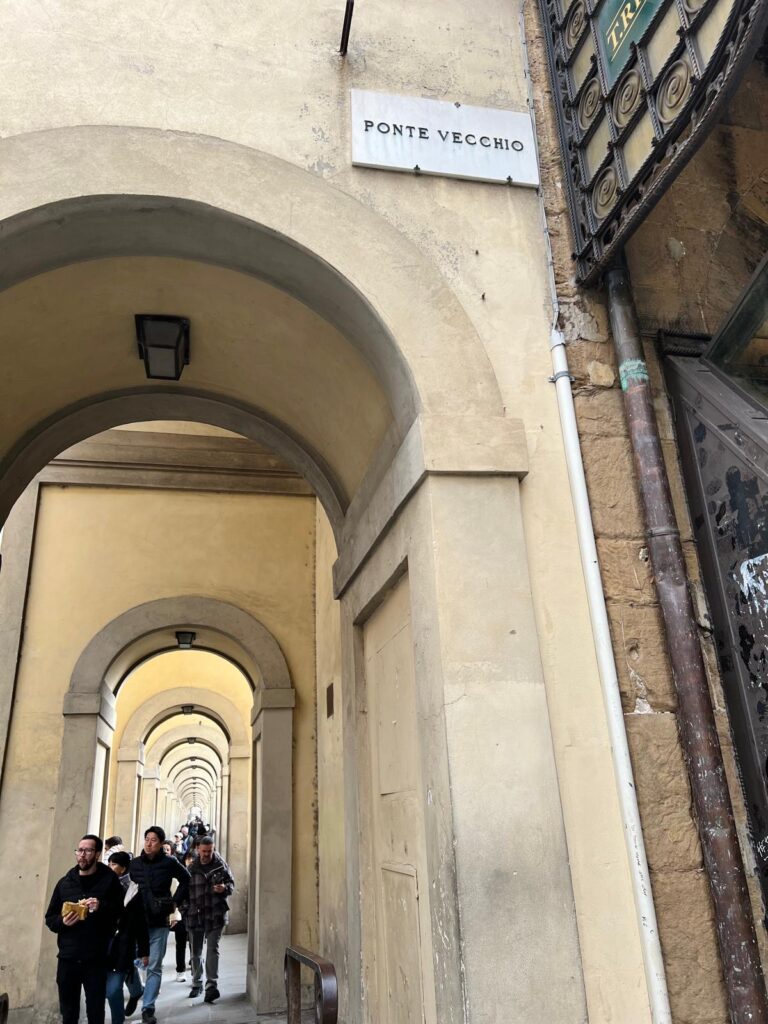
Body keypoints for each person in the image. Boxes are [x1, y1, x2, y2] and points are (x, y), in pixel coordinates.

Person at [44, 834, 125, 1024]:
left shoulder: (110, 881)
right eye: (79, 850)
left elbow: (121, 914)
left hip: (96, 957)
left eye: (88, 851)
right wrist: (63, 922)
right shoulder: (65, 883)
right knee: (69, 1012)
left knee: (95, 1011)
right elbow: (50, 918)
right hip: (68, 957)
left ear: (97, 854)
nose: (82, 855)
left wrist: (101, 906)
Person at [128, 826, 190, 1024]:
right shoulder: (135, 864)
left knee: (154, 966)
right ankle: (137, 990)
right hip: (136, 922)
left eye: (153, 840)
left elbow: (186, 880)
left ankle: (148, 1007)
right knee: (130, 961)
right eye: (146, 838)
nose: (148, 843)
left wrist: (175, 902)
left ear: (161, 843)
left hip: (159, 922)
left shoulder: (169, 862)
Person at [186, 837, 234, 1003]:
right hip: (195, 915)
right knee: (196, 951)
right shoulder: (191, 868)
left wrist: (224, 888)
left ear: (213, 849)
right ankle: (196, 982)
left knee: (213, 948)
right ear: (198, 849)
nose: (206, 854)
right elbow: (183, 892)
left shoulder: (221, 865)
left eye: (209, 851)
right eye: (204, 851)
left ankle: (211, 985)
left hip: (215, 914)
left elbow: (232, 885)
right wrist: (184, 909)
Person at [105, 852, 149, 1024]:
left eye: (114, 864)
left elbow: (141, 923)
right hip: (104, 945)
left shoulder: (134, 890)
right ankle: (137, 991)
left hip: (125, 942)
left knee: (113, 989)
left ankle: (118, 1020)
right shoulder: (103, 886)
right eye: (109, 864)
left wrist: (144, 951)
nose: (110, 867)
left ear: (124, 868)